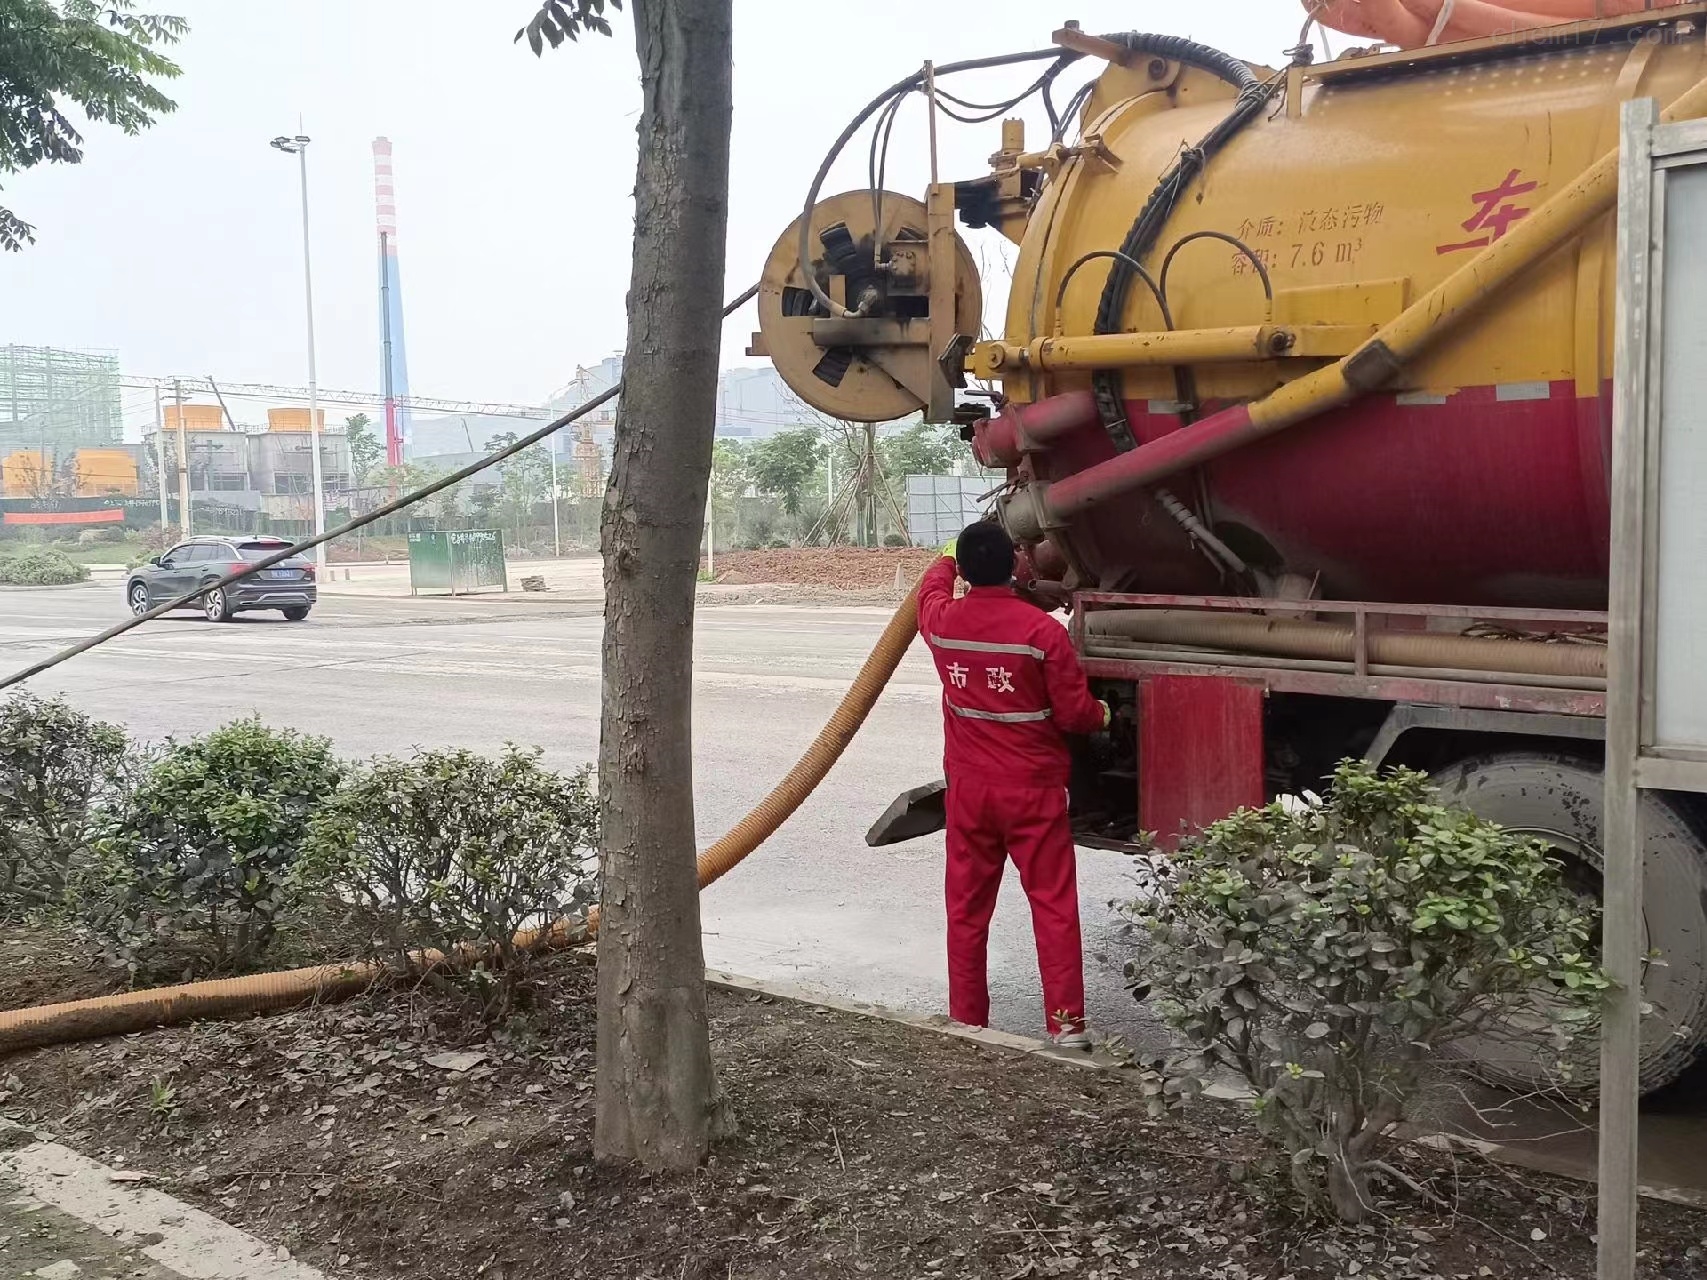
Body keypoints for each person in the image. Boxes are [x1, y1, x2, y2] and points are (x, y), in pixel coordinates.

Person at [916, 520, 1109, 1048]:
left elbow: (928, 592)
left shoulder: (943, 623)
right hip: (1033, 791)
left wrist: (947, 556)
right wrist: (1105, 715)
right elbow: (1074, 714)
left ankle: (968, 1022)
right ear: (1015, 566)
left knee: (967, 909)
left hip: (971, 792)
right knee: (1052, 905)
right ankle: (1066, 1029)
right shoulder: (1041, 633)